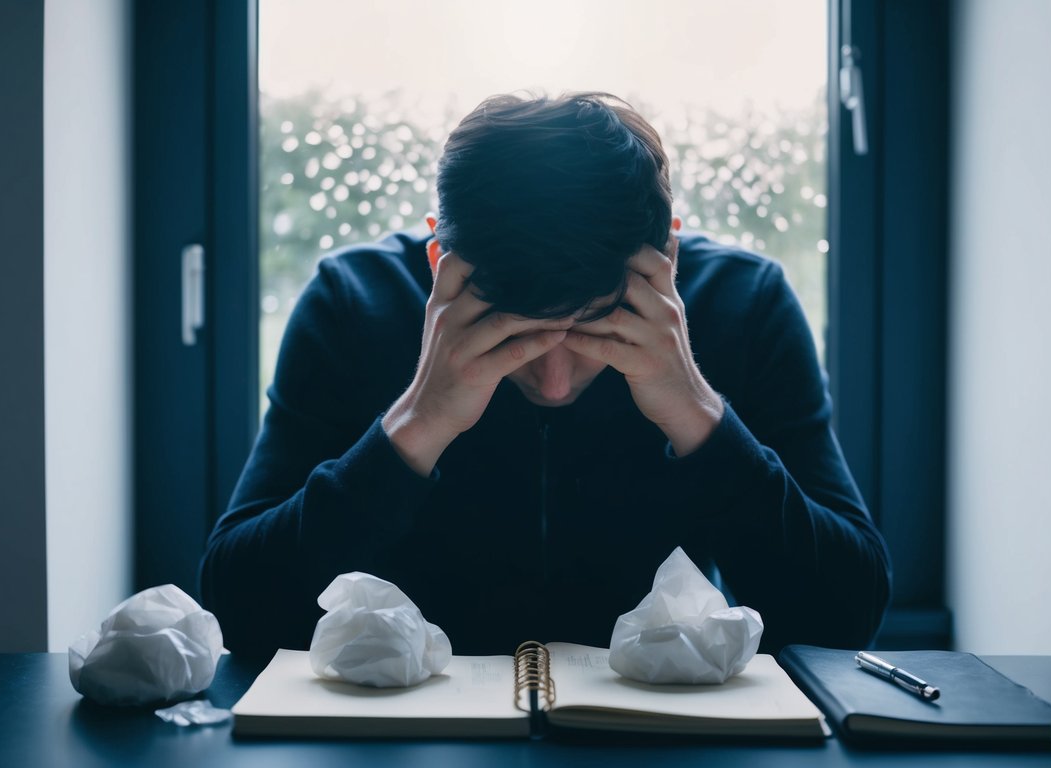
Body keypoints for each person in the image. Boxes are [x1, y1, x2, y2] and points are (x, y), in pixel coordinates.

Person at [200, 92, 891, 658]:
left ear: (665, 262)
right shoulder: (352, 301)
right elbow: (239, 609)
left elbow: (843, 619)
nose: (555, 383)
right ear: (443, 262)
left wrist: (696, 415)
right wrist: (418, 423)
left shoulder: (747, 303)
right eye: (515, 338)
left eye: (598, 329)